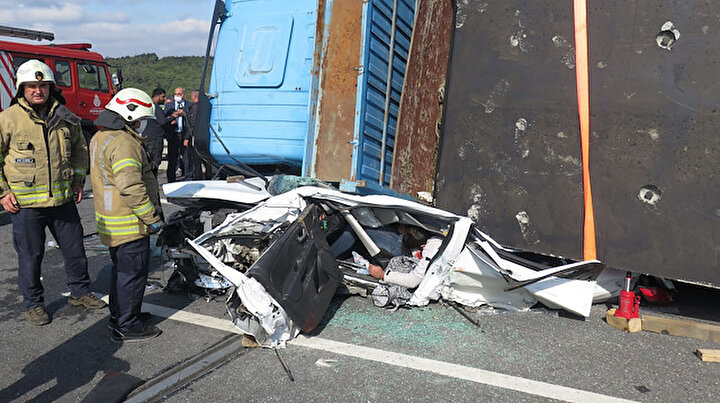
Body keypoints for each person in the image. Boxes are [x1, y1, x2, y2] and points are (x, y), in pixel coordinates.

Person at [0, 59, 106, 326]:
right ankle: (34, 305)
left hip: (62, 200)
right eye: (32, 86)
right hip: (26, 205)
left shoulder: (66, 116)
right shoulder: (7, 119)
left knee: (74, 250)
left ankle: (80, 293)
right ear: (21, 88)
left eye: (43, 85)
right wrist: (2, 192)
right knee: (31, 257)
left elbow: (81, 150)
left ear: (50, 88)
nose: (38, 91)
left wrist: (79, 181)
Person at [90, 88, 163, 342]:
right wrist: (152, 219)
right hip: (129, 222)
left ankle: (120, 315)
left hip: (112, 220)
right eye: (140, 120)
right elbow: (131, 187)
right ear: (129, 115)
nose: (141, 125)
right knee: (132, 274)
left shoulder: (102, 137)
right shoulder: (124, 143)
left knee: (121, 272)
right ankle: (127, 325)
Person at [164, 87, 188, 182]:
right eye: (175, 94)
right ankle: (171, 180)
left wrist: (184, 113)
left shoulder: (188, 105)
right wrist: (171, 120)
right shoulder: (169, 106)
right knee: (172, 159)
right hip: (173, 135)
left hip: (184, 134)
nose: (177, 96)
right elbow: (164, 119)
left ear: (183, 95)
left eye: (179, 94)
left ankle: (188, 179)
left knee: (186, 159)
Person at [143, 88, 168, 177]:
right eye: (163, 97)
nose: (164, 99)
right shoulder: (156, 108)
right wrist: (173, 117)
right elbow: (162, 122)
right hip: (155, 139)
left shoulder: (146, 106)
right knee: (155, 162)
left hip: (146, 137)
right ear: (157, 97)